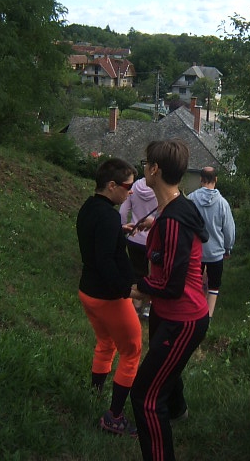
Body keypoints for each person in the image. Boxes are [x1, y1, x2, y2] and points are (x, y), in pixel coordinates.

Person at [130, 139, 209, 461]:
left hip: (183, 319)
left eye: (146, 163)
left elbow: (171, 285)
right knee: (163, 369)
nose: (143, 168)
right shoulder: (176, 208)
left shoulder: (174, 220)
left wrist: (135, 287)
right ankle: (177, 411)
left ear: (155, 170)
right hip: (169, 314)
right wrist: (154, 223)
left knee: (145, 397)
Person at [76, 157, 142, 436]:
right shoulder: (109, 216)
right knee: (132, 350)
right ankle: (114, 417)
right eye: (128, 186)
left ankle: (95, 396)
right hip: (109, 297)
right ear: (112, 185)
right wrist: (127, 290)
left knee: (106, 343)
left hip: (88, 292)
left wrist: (119, 232)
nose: (131, 191)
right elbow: (105, 260)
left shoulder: (89, 208)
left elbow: (97, 243)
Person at [188, 167, 235, 319]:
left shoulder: (190, 199)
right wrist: (228, 248)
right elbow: (229, 229)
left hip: (195, 252)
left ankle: (194, 312)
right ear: (216, 180)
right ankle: (207, 316)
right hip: (216, 253)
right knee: (214, 286)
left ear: (200, 179)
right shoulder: (222, 203)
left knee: (194, 284)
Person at [120, 176, 158, 318]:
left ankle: (136, 307)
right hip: (153, 239)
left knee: (137, 273)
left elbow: (123, 211)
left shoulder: (135, 186)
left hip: (134, 236)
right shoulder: (159, 188)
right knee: (153, 274)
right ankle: (149, 306)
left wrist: (123, 228)